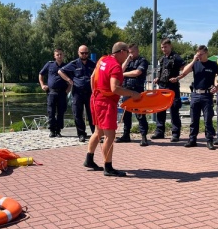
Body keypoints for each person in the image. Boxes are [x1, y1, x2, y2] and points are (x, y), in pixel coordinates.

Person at [83, 42, 141, 177]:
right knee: (110, 135)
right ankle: (108, 167)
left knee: (98, 132)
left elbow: (92, 78)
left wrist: (95, 94)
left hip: (96, 99)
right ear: (121, 52)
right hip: (106, 103)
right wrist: (133, 94)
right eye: (127, 52)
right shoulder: (115, 66)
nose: (128, 55)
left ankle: (89, 159)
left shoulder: (102, 59)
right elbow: (115, 88)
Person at [173, 45, 218, 149]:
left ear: (206, 53)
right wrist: (193, 60)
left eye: (201, 54)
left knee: (207, 120)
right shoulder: (195, 64)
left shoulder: (213, 65)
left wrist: (217, 87)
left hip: (207, 95)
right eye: (198, 54)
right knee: (194, 119)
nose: (199, 56)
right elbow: (184, 72)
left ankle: (209, 140)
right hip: (195, 94)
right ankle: (192, 139)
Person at [58, 45, 96, 143]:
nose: (84, 55)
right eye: (82, 53)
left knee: (92, 114)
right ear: (78, 53)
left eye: (86, 53)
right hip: (77, 93)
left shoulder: (93, 64)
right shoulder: (73, 64)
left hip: (90, 93)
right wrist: (68, 80)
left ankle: (95, 134)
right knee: (78, 114)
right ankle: (81, 134)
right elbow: (60, 71)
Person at [151, 38, 186, 142]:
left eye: (165, 47)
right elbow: (160, 71)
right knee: (160, 109)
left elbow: (185, 69)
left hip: (172, 87)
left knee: (174, 110)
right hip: (162, 86)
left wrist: (178, 78)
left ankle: (175, 133)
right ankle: (159, 131)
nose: (164, 49)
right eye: (162, 47)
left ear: (170, 46)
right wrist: (157, 78)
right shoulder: (162, 59)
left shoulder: (177, 58)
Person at [115, 43, 150, 147]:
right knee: (126, 114)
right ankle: (126, 135)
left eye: (132, 52)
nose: (130, 54)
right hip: (126, 90)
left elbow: (137, 72)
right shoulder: (127, 61)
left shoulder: (142, 61)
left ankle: (143, 136)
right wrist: (127, 60)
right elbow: (120, 70)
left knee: (140, 114)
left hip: (137, 90)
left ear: (137, 51)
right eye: (128, 52)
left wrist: (123, 74)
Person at [39, 48, 69, 138]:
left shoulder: (67, 66)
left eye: (61, 54)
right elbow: (41, 74)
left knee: (61, 112)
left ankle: (58, 130)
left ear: (63, 55)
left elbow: (71, 79)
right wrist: (42, 85)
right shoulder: (49, 64)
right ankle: (52, 130)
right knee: (51, 112)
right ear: (54, 56)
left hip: (62, 93)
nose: (59, 56)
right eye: (57, 54)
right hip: (51, 92)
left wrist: (68, 90)